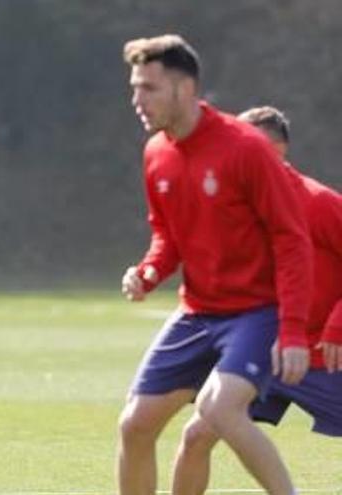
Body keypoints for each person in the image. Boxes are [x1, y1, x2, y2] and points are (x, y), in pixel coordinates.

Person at [117, 35, 313, 495]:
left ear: (184, 90)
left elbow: (292, 239)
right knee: (135, 424)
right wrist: (148, 272)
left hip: (257, 312)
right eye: (134, 87)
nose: (136, 100)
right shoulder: (156, 153)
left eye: (148, 88)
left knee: (220, 410)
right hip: (197, 312)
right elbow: (168, 235)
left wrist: (295, 330)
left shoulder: (245, 147)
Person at [171, 106, 342, 495]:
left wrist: (337, 326)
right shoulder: (238, 212)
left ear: (278, 151)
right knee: (198, 433)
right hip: (264, 351)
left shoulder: (319, 203)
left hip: (324, 355)